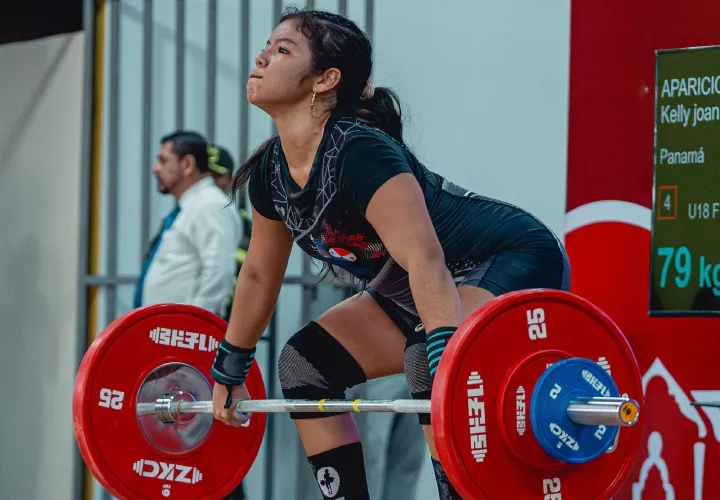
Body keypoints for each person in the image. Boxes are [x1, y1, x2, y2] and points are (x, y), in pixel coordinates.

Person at [209, 8, 570, 500]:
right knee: (304, 365)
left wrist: (446, 357)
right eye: (267, 47)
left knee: (427, 355)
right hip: (418, 288)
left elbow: (425, 260)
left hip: (510, 257)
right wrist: (230, 368)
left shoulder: (359, 153)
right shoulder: (271, 172)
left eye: (282, 49)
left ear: (325, 79)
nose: (261, 57)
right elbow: (257, 275)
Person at [134, 131, 241, 317]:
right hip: (169, 328)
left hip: (184, 330)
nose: (156, 169)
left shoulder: (210, 204)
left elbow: (219, 273)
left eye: (163, 161)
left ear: (187, 164)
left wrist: (194, 323)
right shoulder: (193, 205)